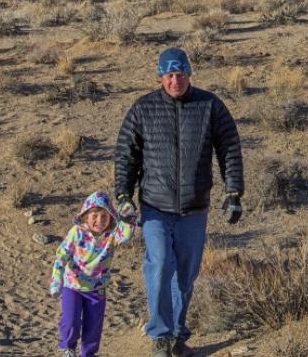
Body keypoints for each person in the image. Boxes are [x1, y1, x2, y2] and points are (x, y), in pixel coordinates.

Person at [114, 47, 244, 357]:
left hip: (194, 207)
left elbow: (229, 148)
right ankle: (160, 335)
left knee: (186, 274)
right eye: (170, 75)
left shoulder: (209, 105)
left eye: (181, 74)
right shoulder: (143, 109)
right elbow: (126, 154)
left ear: (189, 74)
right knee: (158, 265)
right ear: (160, 76)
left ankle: (176, 335)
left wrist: (234, 192)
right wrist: (123, 195)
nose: (176, 81)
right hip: (155, 207)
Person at [49, 191, 138, 357]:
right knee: (71, 321)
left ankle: (88, 354)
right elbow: (61, 255)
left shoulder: (111, 236)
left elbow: (125, 236)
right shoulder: (77, 232)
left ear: (111, 217)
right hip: (73, 286)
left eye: (104, 216)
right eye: (94, 216)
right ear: (85, 215)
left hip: (97, 288)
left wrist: (128, 217)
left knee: (94, 327)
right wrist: (56, 280)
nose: (99, 220)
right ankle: (67, 348)